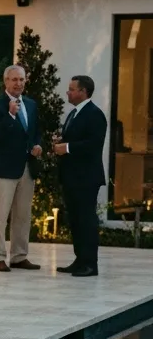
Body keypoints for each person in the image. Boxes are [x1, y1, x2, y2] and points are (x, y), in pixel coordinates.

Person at [0, 64, 44, 273]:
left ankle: (19, 256)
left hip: (27, 168)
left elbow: (35, 132)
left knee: (22, 215)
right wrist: (10, 116)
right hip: (3, 169)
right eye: (14, 80)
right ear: (5, 82)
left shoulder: (31, 104)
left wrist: (38, 145)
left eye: (21, 79)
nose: (18, 83)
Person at [54, 74, 107, 277]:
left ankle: (90, 264)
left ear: (83, 91)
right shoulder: (73, 114)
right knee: (75, 220)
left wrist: (66, 147)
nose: (68, 92)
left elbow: (94, 145)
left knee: (86, 220)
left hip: (86, 178)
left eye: (71, 89)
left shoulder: (95, 114)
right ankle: (80, 259)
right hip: (71, 177)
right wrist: (60, 142)